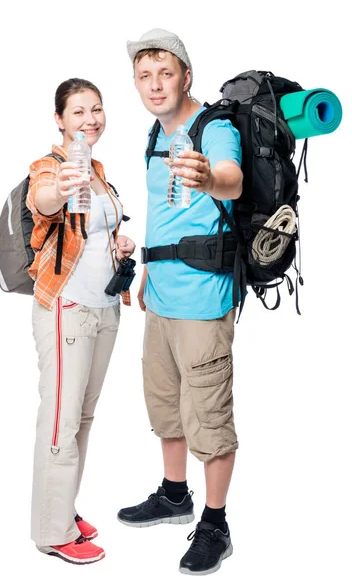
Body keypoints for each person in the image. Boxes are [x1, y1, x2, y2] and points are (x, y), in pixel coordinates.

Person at [117, 30, 243, 576]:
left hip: (203, 299)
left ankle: (215, 524)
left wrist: (208, 175)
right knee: (165, 403)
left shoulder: (212, 129)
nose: (154, 85)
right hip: (162, 293)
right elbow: (163, 213)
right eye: (144, 77)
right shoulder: (154, 132)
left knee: (209, 416)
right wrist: (148, 268)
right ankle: (174, 496)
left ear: (185, 75)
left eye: (165, 74)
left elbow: (231, 180)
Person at [27, 77, 135, 564]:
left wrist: (120, 244)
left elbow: (96, 232)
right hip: (66, 309)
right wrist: (61, 186)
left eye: (96, 109)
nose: (90, 119)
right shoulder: (52, 167)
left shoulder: (99, 171)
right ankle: (52, 531)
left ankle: (64, 509)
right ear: (59, 119)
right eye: (78, 112)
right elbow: (43, 201)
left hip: (105, 308)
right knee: (60, 421)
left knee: (82, 419)